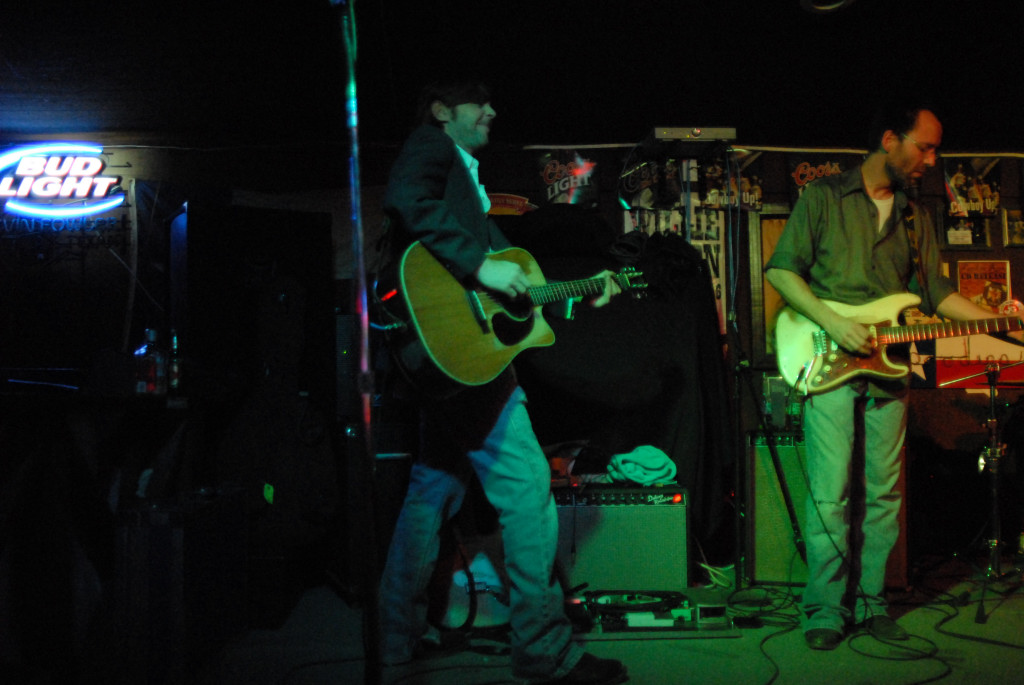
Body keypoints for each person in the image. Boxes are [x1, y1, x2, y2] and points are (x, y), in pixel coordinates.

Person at [375, 79, 627, 685]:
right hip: (466, 363)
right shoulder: (432, 146)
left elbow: (517, 286)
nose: (491, 110)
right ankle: (544, 649)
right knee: (528, 485)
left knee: (431, 489)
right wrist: (478, 264)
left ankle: (393, 637)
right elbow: (406, 198)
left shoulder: (466, 178)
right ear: (442, 110)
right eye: (477, 101)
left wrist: (578, 293)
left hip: (458, 357)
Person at [764, 104, 1019, 651]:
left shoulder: (913, 215)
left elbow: (937, 294)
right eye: (924, 146)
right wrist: (834, 322)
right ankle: (825, 608)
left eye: (935, 149)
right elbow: (782, 270)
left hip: (890, 368)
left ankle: (873, 602)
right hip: (829, 361)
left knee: (883, 495)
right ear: (889, 139)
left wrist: (998, 321)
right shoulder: (824, 197)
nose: (932, 159)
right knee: (830, 494)